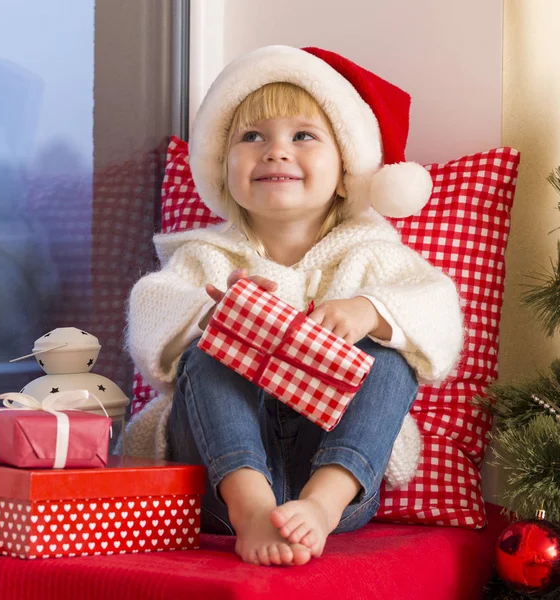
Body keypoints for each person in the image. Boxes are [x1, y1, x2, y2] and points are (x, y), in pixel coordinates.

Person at [125, 46, 463, 567]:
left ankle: (324, 502)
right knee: (208, 350)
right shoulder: (205, 255)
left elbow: (438, 315)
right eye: (252, 136)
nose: (275, 151)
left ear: (347, 166)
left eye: (302, 136)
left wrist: (370, 311)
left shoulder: (372, 255)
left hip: (332, 471)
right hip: (218, 479)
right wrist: (211, 316)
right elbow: (151, 316)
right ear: (223, 164)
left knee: (393, 360)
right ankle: (251, 502)